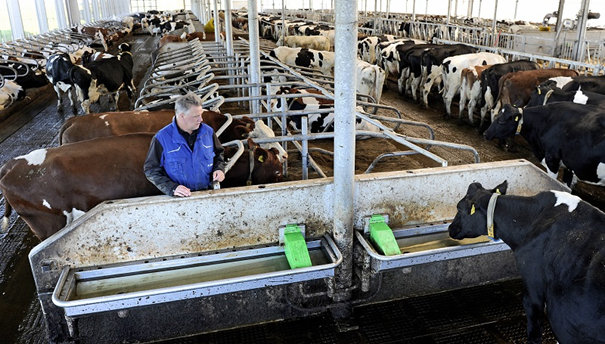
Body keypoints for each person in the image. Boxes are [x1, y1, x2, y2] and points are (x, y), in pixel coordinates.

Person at [144, 92, 225, 197]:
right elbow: (151, 170)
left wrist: (219, 169)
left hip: (207, 194)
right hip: (179, 199)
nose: (201, 119)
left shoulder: (208, 132)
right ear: (182, 116)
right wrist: (172, 188)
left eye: (201, 115)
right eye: (196, 116)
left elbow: (219, 154)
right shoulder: (162, 138)